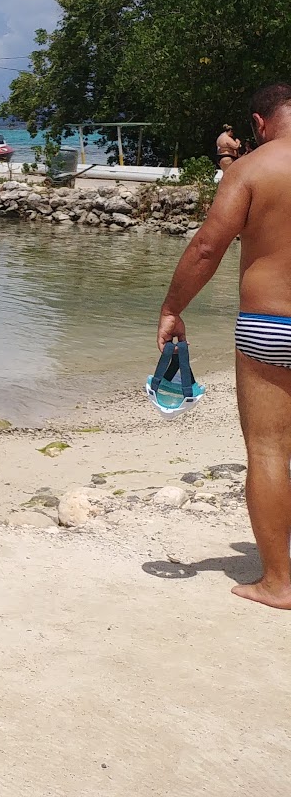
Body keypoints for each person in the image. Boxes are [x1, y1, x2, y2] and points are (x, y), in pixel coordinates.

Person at [158, 81, 291, 609]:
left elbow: (209, 245)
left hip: (270, 325)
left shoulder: (251, 170)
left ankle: (279, 582)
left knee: (268, 451)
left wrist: (173, 308)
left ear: (258, 125)